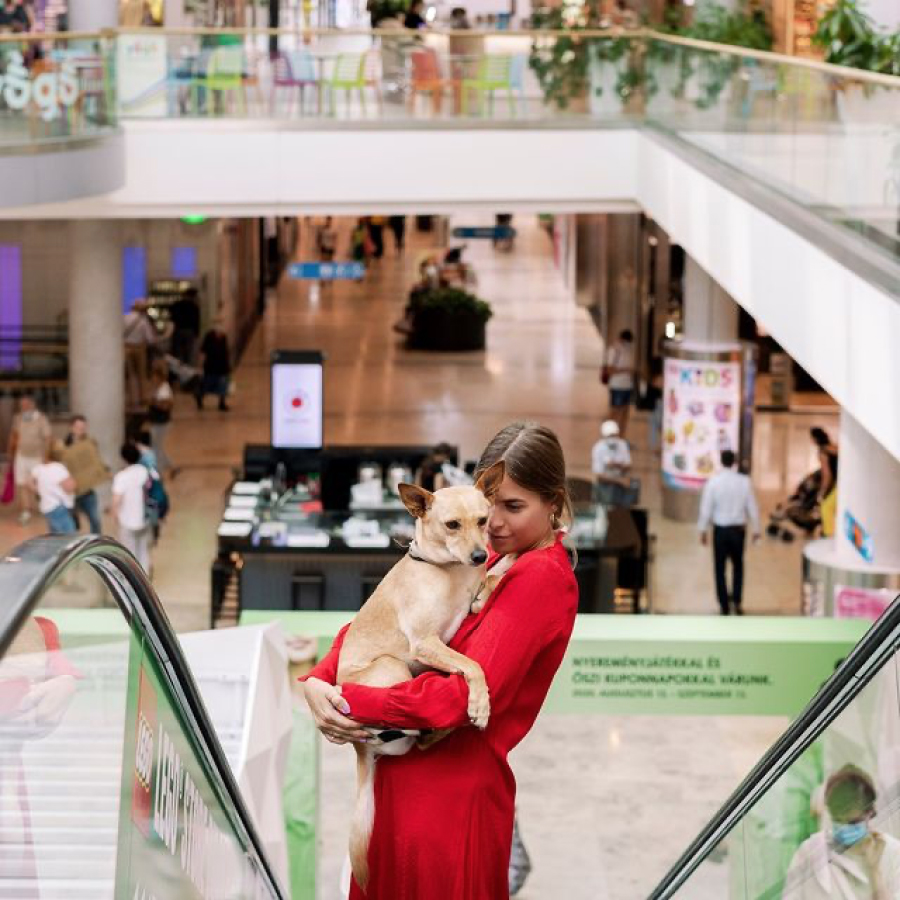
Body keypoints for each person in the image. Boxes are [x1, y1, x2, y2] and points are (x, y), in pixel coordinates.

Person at [301, 421, 579, 899]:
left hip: (448, 802)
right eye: (491, 507)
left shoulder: (540, 577)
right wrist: (318, 681)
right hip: (403, 783)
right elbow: (385, 617)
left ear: (552, 502)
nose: (492, 525)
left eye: (514, 508)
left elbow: (457, 700)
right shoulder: (483, 556)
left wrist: (353, 702)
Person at [783, 765, 900, 899]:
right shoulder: (810, 852)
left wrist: (875, 871)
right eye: (838, 820)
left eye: (853, 822)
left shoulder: (893, 854)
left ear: (870, 813)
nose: (844, 828)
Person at [698, 449, 761, 615]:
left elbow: (706, 509)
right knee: (738, 566)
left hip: (720, 531)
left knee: (719, 568)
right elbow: (752, 506)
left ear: (721, 461)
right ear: (735, 462)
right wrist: (756, 529)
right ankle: (737, 601)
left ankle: (724, 604)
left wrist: (702, 530)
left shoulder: (713, 482)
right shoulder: (744, 481)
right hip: (738, 531)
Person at [58, 415, 108, 534]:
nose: (81, 430)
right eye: (78, 427)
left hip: (87, 491)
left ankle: (96, 544)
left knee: (95, 520)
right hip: (71, 492)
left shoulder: (90, 443)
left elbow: (96, 463)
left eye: (83, 428)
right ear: (71, 427)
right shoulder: (62, 446)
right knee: (73, 524)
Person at [8, 395, 51, 525]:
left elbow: (48, 437)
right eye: (22, 405)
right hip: (21, 455)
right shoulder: (18, 418)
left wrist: (46, 456)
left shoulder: (41, 419)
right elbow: (14, 435)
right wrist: (11, 452)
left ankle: (45, 506)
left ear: (33, 405)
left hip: (37, 456)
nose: (23, 407)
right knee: (21, 484)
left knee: (38, 484)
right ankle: (26, 511)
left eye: (26, 404)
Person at [112, 443, 152, 573]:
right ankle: (145, 578)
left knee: (129, 554)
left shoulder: (121, 477)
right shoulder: (145, 471)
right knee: (143, 551)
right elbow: (151, 454)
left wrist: (115, 516)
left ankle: (133, 582)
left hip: (127, 521)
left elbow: (116, 500)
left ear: (123, 458)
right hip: (145, 519)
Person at [591, 419, 638, 507]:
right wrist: (619, 480)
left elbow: (628, 465)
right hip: (605, 486)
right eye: (610, 435)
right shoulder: (598, 448)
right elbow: (599, 476)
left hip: (620, 486)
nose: (612, 438)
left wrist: (616, 465)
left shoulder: (622, 444)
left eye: (614, 435)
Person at [123, 299, 158, 408]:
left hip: (126, 347)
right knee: (141, 375)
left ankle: (130, 399)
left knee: (128, 375)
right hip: (139, 348)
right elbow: (150, 338)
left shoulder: (124, 318)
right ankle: (143, 398)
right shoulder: (143, 320)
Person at [31, 452, 76, 534]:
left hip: (47, 507)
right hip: (59, 507)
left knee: (55, 536)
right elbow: (69, 487)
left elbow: (29, 482)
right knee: (70, 538)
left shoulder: (39, 468)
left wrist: (40, 490)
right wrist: (73, 482)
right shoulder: (59, 468)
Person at [604, 329, 636, 435]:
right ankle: (609, 435)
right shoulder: (614, 350)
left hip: (628, 386)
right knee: (615, 412)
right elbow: (609, 370)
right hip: (617, 386)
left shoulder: (629, 350)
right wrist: (626, 370)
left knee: (625, 412)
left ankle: (621, 437)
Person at [195, 318, 231, 412]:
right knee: (207, 385)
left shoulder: (224, 337)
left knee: (223, 385)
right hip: (210, 366)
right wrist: (200, 365)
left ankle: (221, 403)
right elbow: (203, 352)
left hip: (222, 366)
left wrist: (228, 365)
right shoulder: (209, 336)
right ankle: (200, 396)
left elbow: (225, 352)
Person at [147, 359, 174, 476]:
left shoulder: (164, 389)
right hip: (157, 421)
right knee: (157, 446)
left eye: (154, 377)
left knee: (156, 447)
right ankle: (171, 467)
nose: (153, 380)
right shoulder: (159, 388)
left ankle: (160, 471)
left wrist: (154, 402)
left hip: (161, 422)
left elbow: (166, 405)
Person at [169, 288, 201, 367]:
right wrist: (197, 334)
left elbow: (171, 318)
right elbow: (196, 322)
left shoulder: (176, 305)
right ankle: (187, 372)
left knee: (177, 354)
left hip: (178, 331)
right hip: (189, 332)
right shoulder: (194, 307)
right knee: (188, 354)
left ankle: (177, 372)